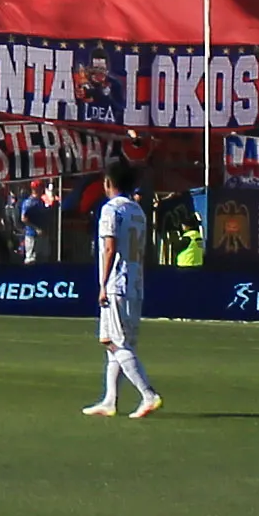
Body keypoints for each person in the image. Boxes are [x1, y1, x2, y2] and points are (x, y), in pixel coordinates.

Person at [84, 160, 162, 419]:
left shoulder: (111, 210)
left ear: (108, 183)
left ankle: (147, 394)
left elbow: (109, 247)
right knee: (115, 342)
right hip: (135, 281)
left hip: (117, 283)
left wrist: (102, 284)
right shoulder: (138, 210)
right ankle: (110, 400)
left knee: (115, 341)